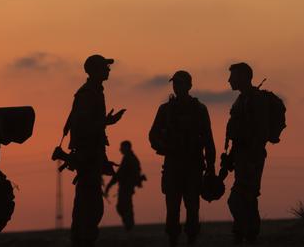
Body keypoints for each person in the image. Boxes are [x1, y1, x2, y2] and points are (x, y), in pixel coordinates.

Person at [149, 70, 216, 246]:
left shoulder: (199, 109)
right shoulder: (165, 110)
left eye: (180, 83)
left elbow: (208, 140)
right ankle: (173, 240)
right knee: (172, 209)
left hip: (193, 166)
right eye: (175, 83)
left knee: (192, 208)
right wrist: (164, 147)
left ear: (189, 86)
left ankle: (191, 239)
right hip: (173, 165)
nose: (177, 87)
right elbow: (153, 135)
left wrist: (211, 168)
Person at [67, 54, 126, 247]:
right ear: (95, 71)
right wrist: (106, 122)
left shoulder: (94, 92)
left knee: (90, 206)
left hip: (92, 157)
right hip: (88, 158)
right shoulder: (87, 94)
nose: (108, 70)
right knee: (89, 207)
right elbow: (83, 128)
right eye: (104, 67)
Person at [225, 62, 271, 244]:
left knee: (240, 199)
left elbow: (260, 133)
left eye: (233, 76)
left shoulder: (255, 100)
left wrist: (250, 157)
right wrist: (231, 157)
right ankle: (245, 235)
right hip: (242, 157)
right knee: (245, 200)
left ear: (244, 77)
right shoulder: (241, 100)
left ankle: (248, 234)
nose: (229, 80)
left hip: (251, 158)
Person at [104, 140, 146, 232]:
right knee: (125, 207)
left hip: (126, 187)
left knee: (123, 207)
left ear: (126, 147)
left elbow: (119, 174)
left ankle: (129, 226)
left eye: (122, 147)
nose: (120, 149)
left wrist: (108, 186)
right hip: (127, 187)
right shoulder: (130, 158)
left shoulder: (129, 158)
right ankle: (129, 226)